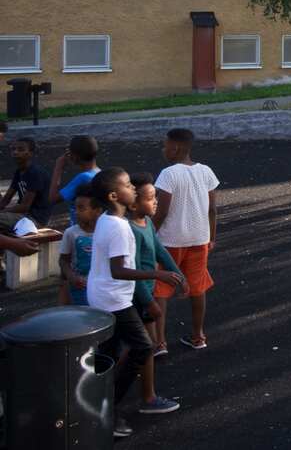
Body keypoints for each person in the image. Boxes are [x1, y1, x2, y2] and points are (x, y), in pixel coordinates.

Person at [87, 168, 184, 438]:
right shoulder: (118, 226)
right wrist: (157, 273)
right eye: (129, 185)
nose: (134, 188)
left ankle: (90, 400)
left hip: (106, 294)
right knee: (143, 347)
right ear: (114, 195)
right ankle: (107, 406)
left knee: (110, 351)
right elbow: (118, 270)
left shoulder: (108, 220)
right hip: (114, 298)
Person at [152, 128, 218, 353]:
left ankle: (159, 342)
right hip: (199, 238)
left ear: (175, 147)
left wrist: (149, 234)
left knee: (161, 287)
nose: (163, 149)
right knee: (198, 287)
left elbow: (161, 211)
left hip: (170, 240)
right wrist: (212, 236)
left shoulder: (168, 174)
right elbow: (212, 209)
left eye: (165, 145)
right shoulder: (206, 171)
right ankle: (198, 336)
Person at [127, 172, 185, 414]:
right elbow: (135, 270)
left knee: (143, 346)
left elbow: (160, 250)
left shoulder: (146, 223)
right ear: (132, 203)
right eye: (151, 198)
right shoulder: (129, 230)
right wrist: (149, 300)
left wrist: (178, 275)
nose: (156, 202)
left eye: (155, 197)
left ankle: (147, 395)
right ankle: (147, 397)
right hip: (138, 296)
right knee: (142, 346)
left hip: (146, 293)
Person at [58, 189, 102, 306]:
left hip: (102, 288)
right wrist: (71, 276)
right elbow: (63, 260)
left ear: (97, 211)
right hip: (80, 287)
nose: (76, 212)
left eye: (81, 208)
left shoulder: (105, 232)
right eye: (75, 208)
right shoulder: (71, 233)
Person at [0, 136, 53, 230]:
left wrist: (4, 212)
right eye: (13, 149)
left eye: (20, 149)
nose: (15, 152)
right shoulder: (19, 172)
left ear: (30, 153)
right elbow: (6, 199)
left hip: (36, 219)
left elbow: (24, 207)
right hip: (24, 216)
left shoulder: (35, 173)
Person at [49, 136, 102, 225]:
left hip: (80, 231)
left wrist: (59, 167)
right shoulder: (99, 173)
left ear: (74, 157)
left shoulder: (83, 178)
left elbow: (52, 198)